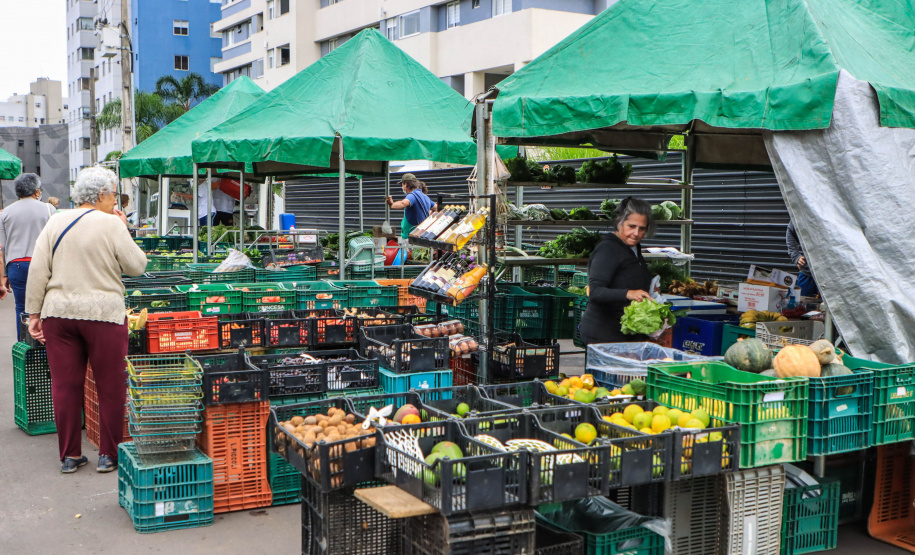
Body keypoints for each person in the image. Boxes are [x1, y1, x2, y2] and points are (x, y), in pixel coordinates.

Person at [26, 166, 147, 474]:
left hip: (59, 314)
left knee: (65, 386)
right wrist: (125, 229)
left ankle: (69, 456)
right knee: (109, 386)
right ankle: (108, 455)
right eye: (114, 195)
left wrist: (34, 313)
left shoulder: (56, 221)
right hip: (103, 313)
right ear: (102, 195)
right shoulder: (112, 224)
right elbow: (137, 266)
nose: (116, 202)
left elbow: (38, 269)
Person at [579, 197, 655, 345]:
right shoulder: (608, 249)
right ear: (620, 221)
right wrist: (629, 293)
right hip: (604, 335)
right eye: (631, 226)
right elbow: (595, 291)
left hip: (626, 333)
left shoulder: (633, 248)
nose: (636, 233)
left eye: (642, 229)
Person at [0, 173, 52, 340]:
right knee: (44, 308)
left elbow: (3, 247)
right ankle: (44, 346)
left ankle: (24, 345)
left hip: (16, 266)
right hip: (42, 265)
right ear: (37, 191)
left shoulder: (5, 213)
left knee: (22, 308)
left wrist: (5, 274)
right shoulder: (48, 209)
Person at [386, 173, 436, 238]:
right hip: (421, 236)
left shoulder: (412, 195)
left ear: (406, 184)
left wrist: (392, 204)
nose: (402, 188)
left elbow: (403, 203)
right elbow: (437, 207)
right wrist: (429, 215)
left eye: (402, 185)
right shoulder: (425, 197)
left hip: (411, 239)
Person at [786, 221, 818, 297]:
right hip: (808, 273)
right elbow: (791, 231)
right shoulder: (803, 210)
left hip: (830, 274)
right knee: (803, 306)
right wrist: (796, 256)